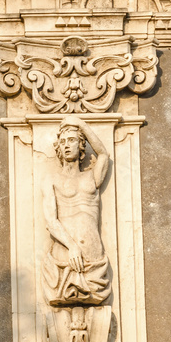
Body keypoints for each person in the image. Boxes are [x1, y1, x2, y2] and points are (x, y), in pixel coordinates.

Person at [41, 115, 112, 307]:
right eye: (62, 141)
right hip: (65, 257)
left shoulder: (91, 178)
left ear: (81, 145)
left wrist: (81, 124)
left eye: (72, 140)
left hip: (93, 259)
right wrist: (72, 246)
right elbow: (51, 220)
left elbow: (104, 155)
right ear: (58, 148)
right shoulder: (51, 180)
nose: (66, 145)